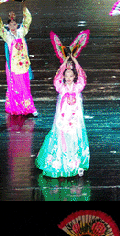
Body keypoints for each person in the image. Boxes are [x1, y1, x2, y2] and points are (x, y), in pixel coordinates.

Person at [36, 45, 89, 181]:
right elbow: (57, 78)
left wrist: (75, 61)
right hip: (63, 119)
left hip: (74, 119)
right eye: (66, 75)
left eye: (71, 75)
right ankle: (61, 163)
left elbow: (82, 77)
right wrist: (65, 63)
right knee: (62, 138)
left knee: (74, 138)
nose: (69, 78)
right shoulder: (62, 88)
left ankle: (75, 164)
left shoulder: (77, 88)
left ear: (74, 76)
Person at [0, 6, 36, 118]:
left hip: (23, 65)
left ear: (17, 25)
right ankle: (23, 107)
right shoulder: (7, 36)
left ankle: (28, 107)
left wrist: (24, 7)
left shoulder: (21, 32)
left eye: (14, 24)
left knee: (25, 86)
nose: (12, 27)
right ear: (7, 26)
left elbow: (27, 21)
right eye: (10, 25)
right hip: (13, 66)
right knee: (17, 86)